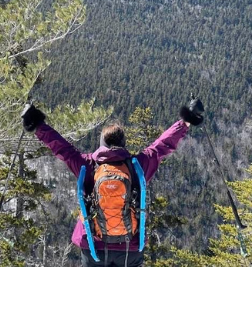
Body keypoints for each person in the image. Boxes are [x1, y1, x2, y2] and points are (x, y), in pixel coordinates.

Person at [20, 98, 205, 267]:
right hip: (130, 246)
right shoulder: (136, 165)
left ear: (101, 144)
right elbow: (162, 145)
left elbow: (61, 147)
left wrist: (36, 124)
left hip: (94, 247)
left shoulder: (87, 164)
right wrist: (186, 120)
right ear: (123, 143)